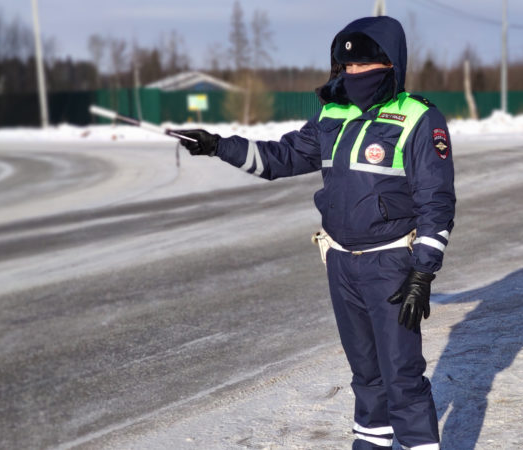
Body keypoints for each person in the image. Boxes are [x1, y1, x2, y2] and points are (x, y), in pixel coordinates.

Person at [173, 16, 455, 450]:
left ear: (391, 65)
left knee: (401, 375)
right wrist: (218, 145)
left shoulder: (419, 117)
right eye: (348, 66)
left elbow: (436, 201)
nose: (355, 74)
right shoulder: (331, 114)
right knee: (366, 374)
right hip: (340, 262)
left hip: (390, 265)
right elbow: (281, 157)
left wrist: (423, 273)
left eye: (365, 65)